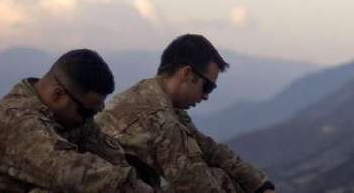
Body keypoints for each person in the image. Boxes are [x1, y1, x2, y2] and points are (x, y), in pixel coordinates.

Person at [0, 48, 152, 193]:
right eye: (87, 112)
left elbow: (112, 159)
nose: (90, 119)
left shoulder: (72, 117)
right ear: (58, 95)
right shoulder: (14, 120)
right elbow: (72, 172)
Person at [97, 34, 273, 193]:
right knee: (222, 180)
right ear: (187, 73)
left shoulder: (151, 95)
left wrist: (259, 185)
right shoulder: (159, 118)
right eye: (207, 87)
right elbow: (196, 184)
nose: (205, 97)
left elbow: (209, 149)